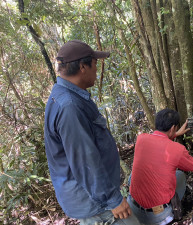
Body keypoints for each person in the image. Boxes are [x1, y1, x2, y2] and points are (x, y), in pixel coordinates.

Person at [44, 40, 140, 225]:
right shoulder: (69, 106)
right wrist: (112, 199)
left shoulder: (67, 95)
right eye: (95, 64)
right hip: (95, 202)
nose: (97, 69)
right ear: (82, 67)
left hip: (91, 195)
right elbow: (84, 161)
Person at [128, 109, 193, 225]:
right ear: (173, 127)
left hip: (133, 208)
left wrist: (175, 134)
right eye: (176, 128)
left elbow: (158, 142)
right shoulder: (177, 149)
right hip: (158, 215)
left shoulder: (141, 139)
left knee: (134, 175)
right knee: (180, 175)